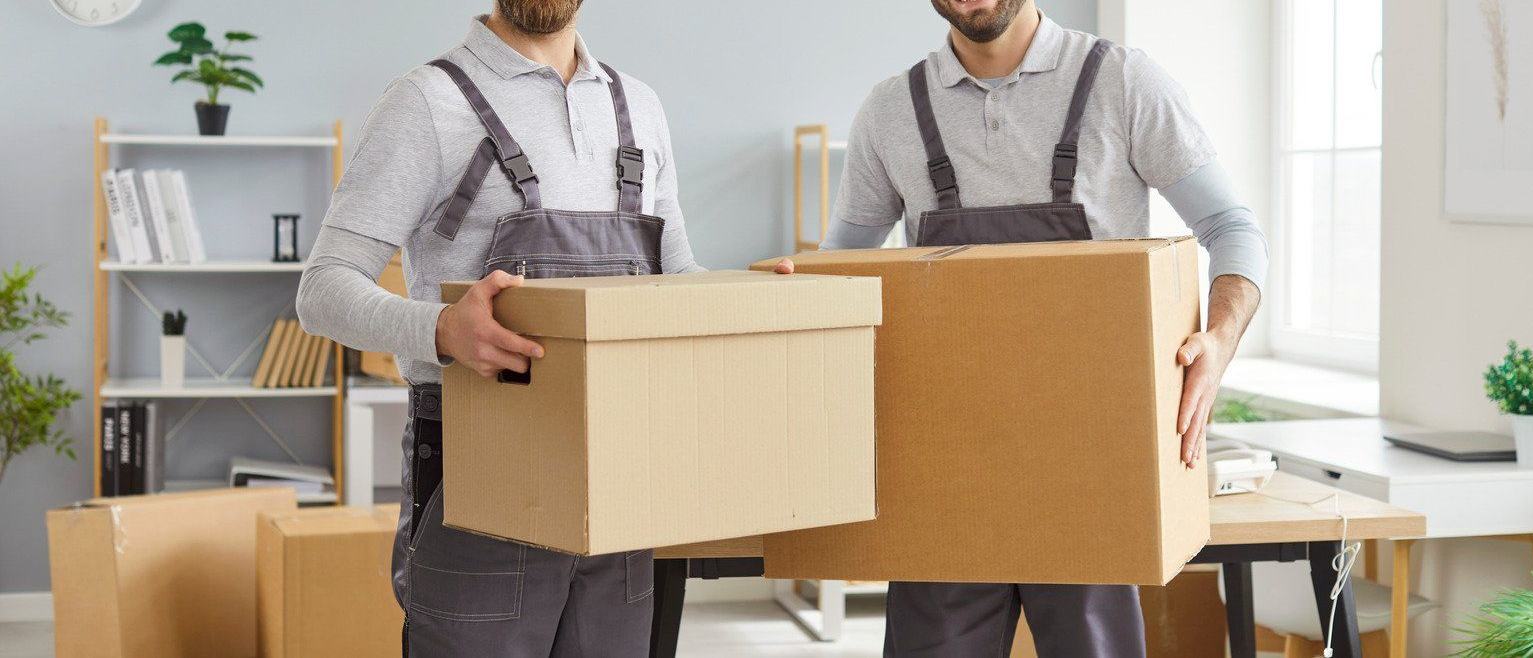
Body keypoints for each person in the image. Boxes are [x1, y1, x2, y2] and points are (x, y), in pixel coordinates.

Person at [295, 1, 788, 654]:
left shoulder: (636, 105)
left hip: (623, 468)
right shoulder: (426, 102)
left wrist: (746, 300)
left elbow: (673, 275)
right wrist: (443, 329)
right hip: (480, 468)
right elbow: (322, 290)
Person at [821, 0, 1268, 655]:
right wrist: (800, 299)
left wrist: (1218, 342)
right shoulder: (891, 110)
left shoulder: (1123, 81)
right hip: (943, 469)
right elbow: (842, 274)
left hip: (1092, 464)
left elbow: (1233, 229)